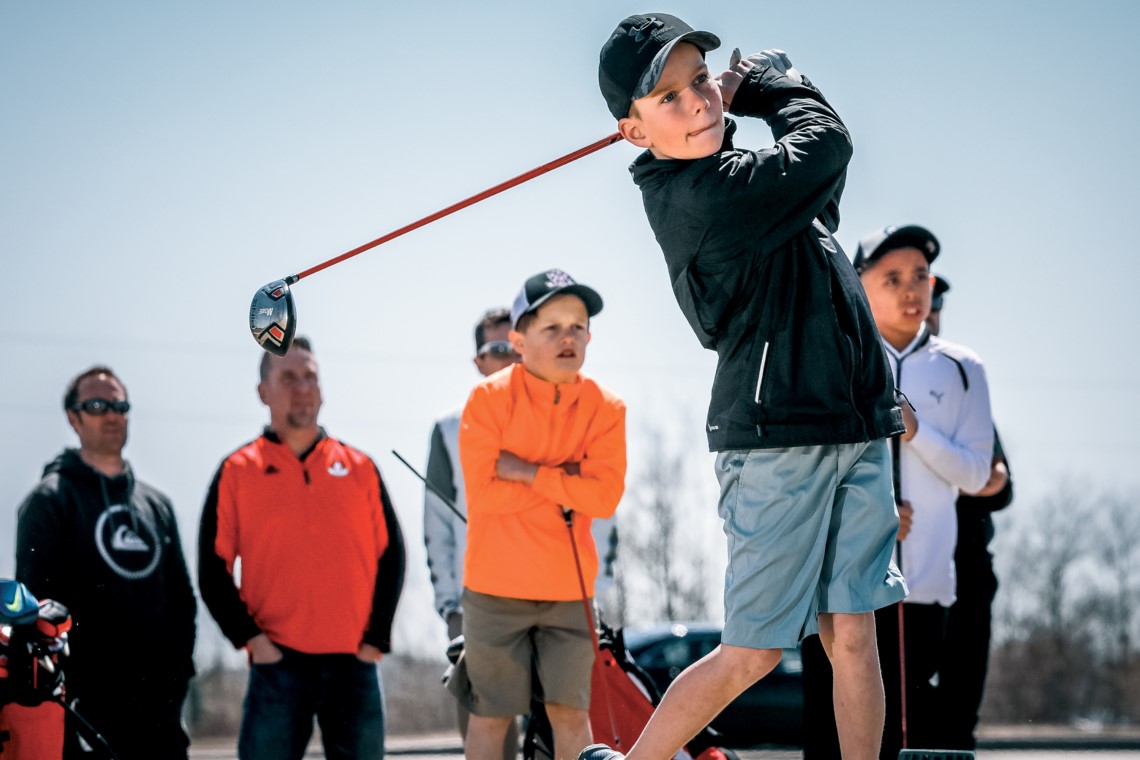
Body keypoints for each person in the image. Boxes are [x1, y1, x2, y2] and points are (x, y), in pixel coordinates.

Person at [586, 15, 907, 760]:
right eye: (668, 97)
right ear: (634, 131)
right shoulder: (700, 197)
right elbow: (829, 146)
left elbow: (819, 185)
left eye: (700, 79)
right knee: (755, 651)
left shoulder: (746, 178)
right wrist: (775, 85)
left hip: (852, 427)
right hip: (775, 443)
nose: (697, 101)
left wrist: (741, 103)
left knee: (853, 634)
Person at [198, 337, 405, 760]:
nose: (303, 387)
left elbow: (392, 557)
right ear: (263, 392)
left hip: (355, 665)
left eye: (310, 376)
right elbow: (211, 568)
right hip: (277, 666)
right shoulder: (237, 471)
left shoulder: (360, 467)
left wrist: (374, 641)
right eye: (288, 377)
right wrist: (253, 641)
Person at [457, 269, 626, 760]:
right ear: (518, 340)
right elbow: (484, 497)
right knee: (491, 718)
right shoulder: (486, 400)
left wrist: (527, 473)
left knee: (573, 718)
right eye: (551, 327)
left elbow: (604, 499)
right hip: (493, 591)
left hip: (569, 593)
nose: (568, 337)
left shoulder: (607, 408)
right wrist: (568, 479)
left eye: (577, 326)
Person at [852, 225, 995, 758]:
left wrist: (916, 431)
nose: (912, 291)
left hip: (928, 586)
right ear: (860, 283)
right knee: (844, 734)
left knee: (921, 732)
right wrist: (873, 512)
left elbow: (979, 475)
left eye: (920, 277)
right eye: (893, 278)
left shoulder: (963, 367)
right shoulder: (838, 359)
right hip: (847, 585)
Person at [15, 365, 197, 760]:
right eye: (98, 405)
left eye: (120, 404)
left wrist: (177, 684)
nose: (112, 414)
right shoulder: (48, 502)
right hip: (85, 717)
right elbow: (33, 614)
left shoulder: (157, 505)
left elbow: (183, 602)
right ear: (74, 418)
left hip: (159, 717)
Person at [424, 307, 521, 757]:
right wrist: (450, 608)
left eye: (517, 347)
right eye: (497, 349)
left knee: (558, 723)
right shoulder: (448, 430)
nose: (509, 358)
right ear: (478, 362)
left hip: (552, 596)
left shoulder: (559, 421)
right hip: (474, 601)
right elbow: (437, 525)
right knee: (489, 726)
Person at [926, 275, 1014, 751]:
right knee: (906, 719)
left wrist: (949, 467)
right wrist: (964, 471)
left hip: (969, 576)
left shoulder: (963, 382)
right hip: (909, 579)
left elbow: (1000, 485)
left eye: (936, 299)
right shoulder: (881, 379)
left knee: (959, 725)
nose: (928, 307)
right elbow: (981, 477)